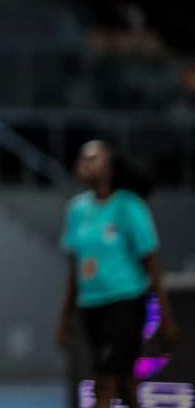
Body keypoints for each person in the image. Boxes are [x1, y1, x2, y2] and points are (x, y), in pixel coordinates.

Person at [56, 140, 179, 408]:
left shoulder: (129, 206)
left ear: (109, 167)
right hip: (91, 305)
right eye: (81, 159)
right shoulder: (77, 209)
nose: (84, 164)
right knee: (125, 384)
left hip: (125, 302)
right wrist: (65, 317)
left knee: (104, 383)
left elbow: (151, 262)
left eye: (92, 159)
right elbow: (75, 268)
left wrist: (166, 317)